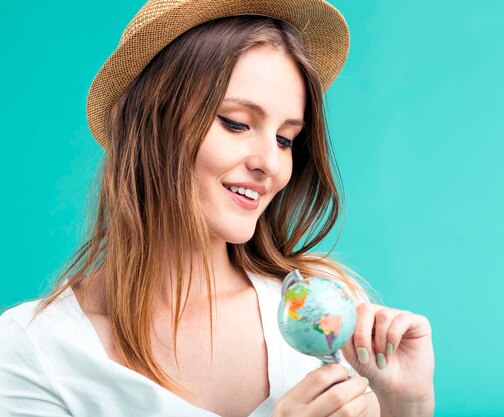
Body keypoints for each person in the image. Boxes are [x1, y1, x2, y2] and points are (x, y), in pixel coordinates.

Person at [0, 0, 435, 416]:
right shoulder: (34, 349)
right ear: (152, 124)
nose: (270, 164)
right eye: (237, 123)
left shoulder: (326, 313)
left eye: (285, 139)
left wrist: (407, 407)